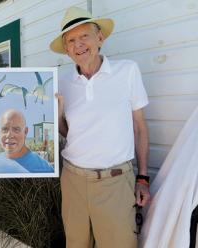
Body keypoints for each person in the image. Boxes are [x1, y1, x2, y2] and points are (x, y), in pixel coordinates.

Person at [50, 7, 150, 248]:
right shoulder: (61, 82)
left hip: (115, 182)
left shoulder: (127, 71)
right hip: (73, 180)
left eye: (84, 36)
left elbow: (140, 129)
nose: (79, 44)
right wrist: (59, 112)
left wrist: (143, 178)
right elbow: (68, 132)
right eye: (71, 40)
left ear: (100, 38)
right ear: (66, 49)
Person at [0, 109, 54, 174]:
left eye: (16, 129)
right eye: (5, 129)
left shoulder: (44, 168)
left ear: (25, 132)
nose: (9, 135)